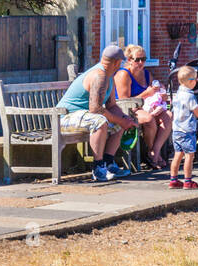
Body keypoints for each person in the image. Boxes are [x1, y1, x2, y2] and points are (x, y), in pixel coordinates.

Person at [58, 44, 138, 182]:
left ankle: (108, 163)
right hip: (65, 117)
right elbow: (95, 108)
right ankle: (98, 168)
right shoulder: (99, 75)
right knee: (99, 121)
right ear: (117, 62)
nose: (121, 65)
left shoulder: (109, 76)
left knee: (120, 122)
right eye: (122, 62)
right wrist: (120, 120)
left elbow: (111, 105)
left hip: (83, 116)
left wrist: (125, 119)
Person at [114, 44, 172, 171]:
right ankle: (153, 155)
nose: (141, 62)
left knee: (168, 116)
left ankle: (154, 153)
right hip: (127, 110)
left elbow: (155, 86)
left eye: (144, 59)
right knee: (148, 119)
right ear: (129, 60)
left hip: (145, 107)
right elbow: (124, 101)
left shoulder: (145, 73)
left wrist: (161, 93)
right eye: (137, 59)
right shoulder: (123, 74)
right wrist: (147, 94)